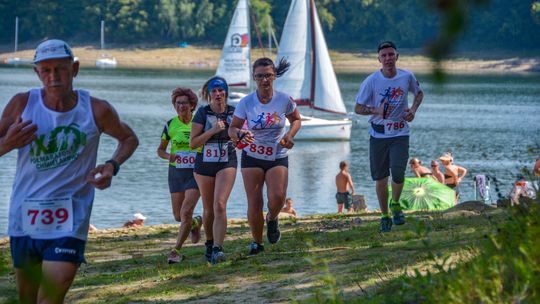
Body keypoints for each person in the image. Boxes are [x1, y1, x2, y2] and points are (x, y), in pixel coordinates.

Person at [0, 39, 138, 303]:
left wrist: (112, 165)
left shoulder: (96, 110)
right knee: (27, 299)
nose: (54, 77)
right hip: (25, 216)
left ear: (74, 69)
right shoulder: (21, 105)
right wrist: (7, 143)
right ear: (37, 72)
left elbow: (129, 138)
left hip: (70, 217)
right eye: (46, 70)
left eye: (61, 69)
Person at [229, 57, 301, 256]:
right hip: (252, 155)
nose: (264, 80)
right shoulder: (246, 102)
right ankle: (257, 242)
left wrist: (289, 134)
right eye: (260, 76)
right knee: (254, 202)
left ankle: (272, 217)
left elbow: (296, 120)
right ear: (254, 78)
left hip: (278, 153)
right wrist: (241, 134)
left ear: (274, 76)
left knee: (277, 197)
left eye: (268, 75)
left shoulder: (284, 100)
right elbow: (232, 128)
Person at [354, 41, 424, 232]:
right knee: (381, 178)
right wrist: (376, 110)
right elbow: (358, 108)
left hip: (400, 132)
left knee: (399, 171)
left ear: (397, 57)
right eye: (384, 56)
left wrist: (413, 110)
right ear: (379, 59)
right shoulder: (371, 81)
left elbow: (419, 94)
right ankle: (384, 215)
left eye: (391, 55)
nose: (388, 59)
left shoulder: (406, 76)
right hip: (378, 135)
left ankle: (395, 203)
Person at [190, 76, 237, 264]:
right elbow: (193, 143)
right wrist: (212, 131)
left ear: (226, 92)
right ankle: (209, 243)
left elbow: (241, 135)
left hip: (227, 162)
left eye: (221, 90)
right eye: (214, 91)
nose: (218, 94)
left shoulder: (235, 112)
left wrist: (242, 137)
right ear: (209, 94)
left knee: (220, 205)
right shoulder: (203, 113)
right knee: (208, 209)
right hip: (204, 165)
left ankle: (218, 248)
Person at [157, 87, 203, 264]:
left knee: (185, 211)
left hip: (196, 172)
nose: (181, 106)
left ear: (192, 105)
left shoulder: (199, 123)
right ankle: (195, 223)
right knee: (178, 216)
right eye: (178, 103)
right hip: (176, 172)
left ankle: (175, 251)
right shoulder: (170, 124)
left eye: (184, 103)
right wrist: (169, 156)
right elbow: (160, 150)